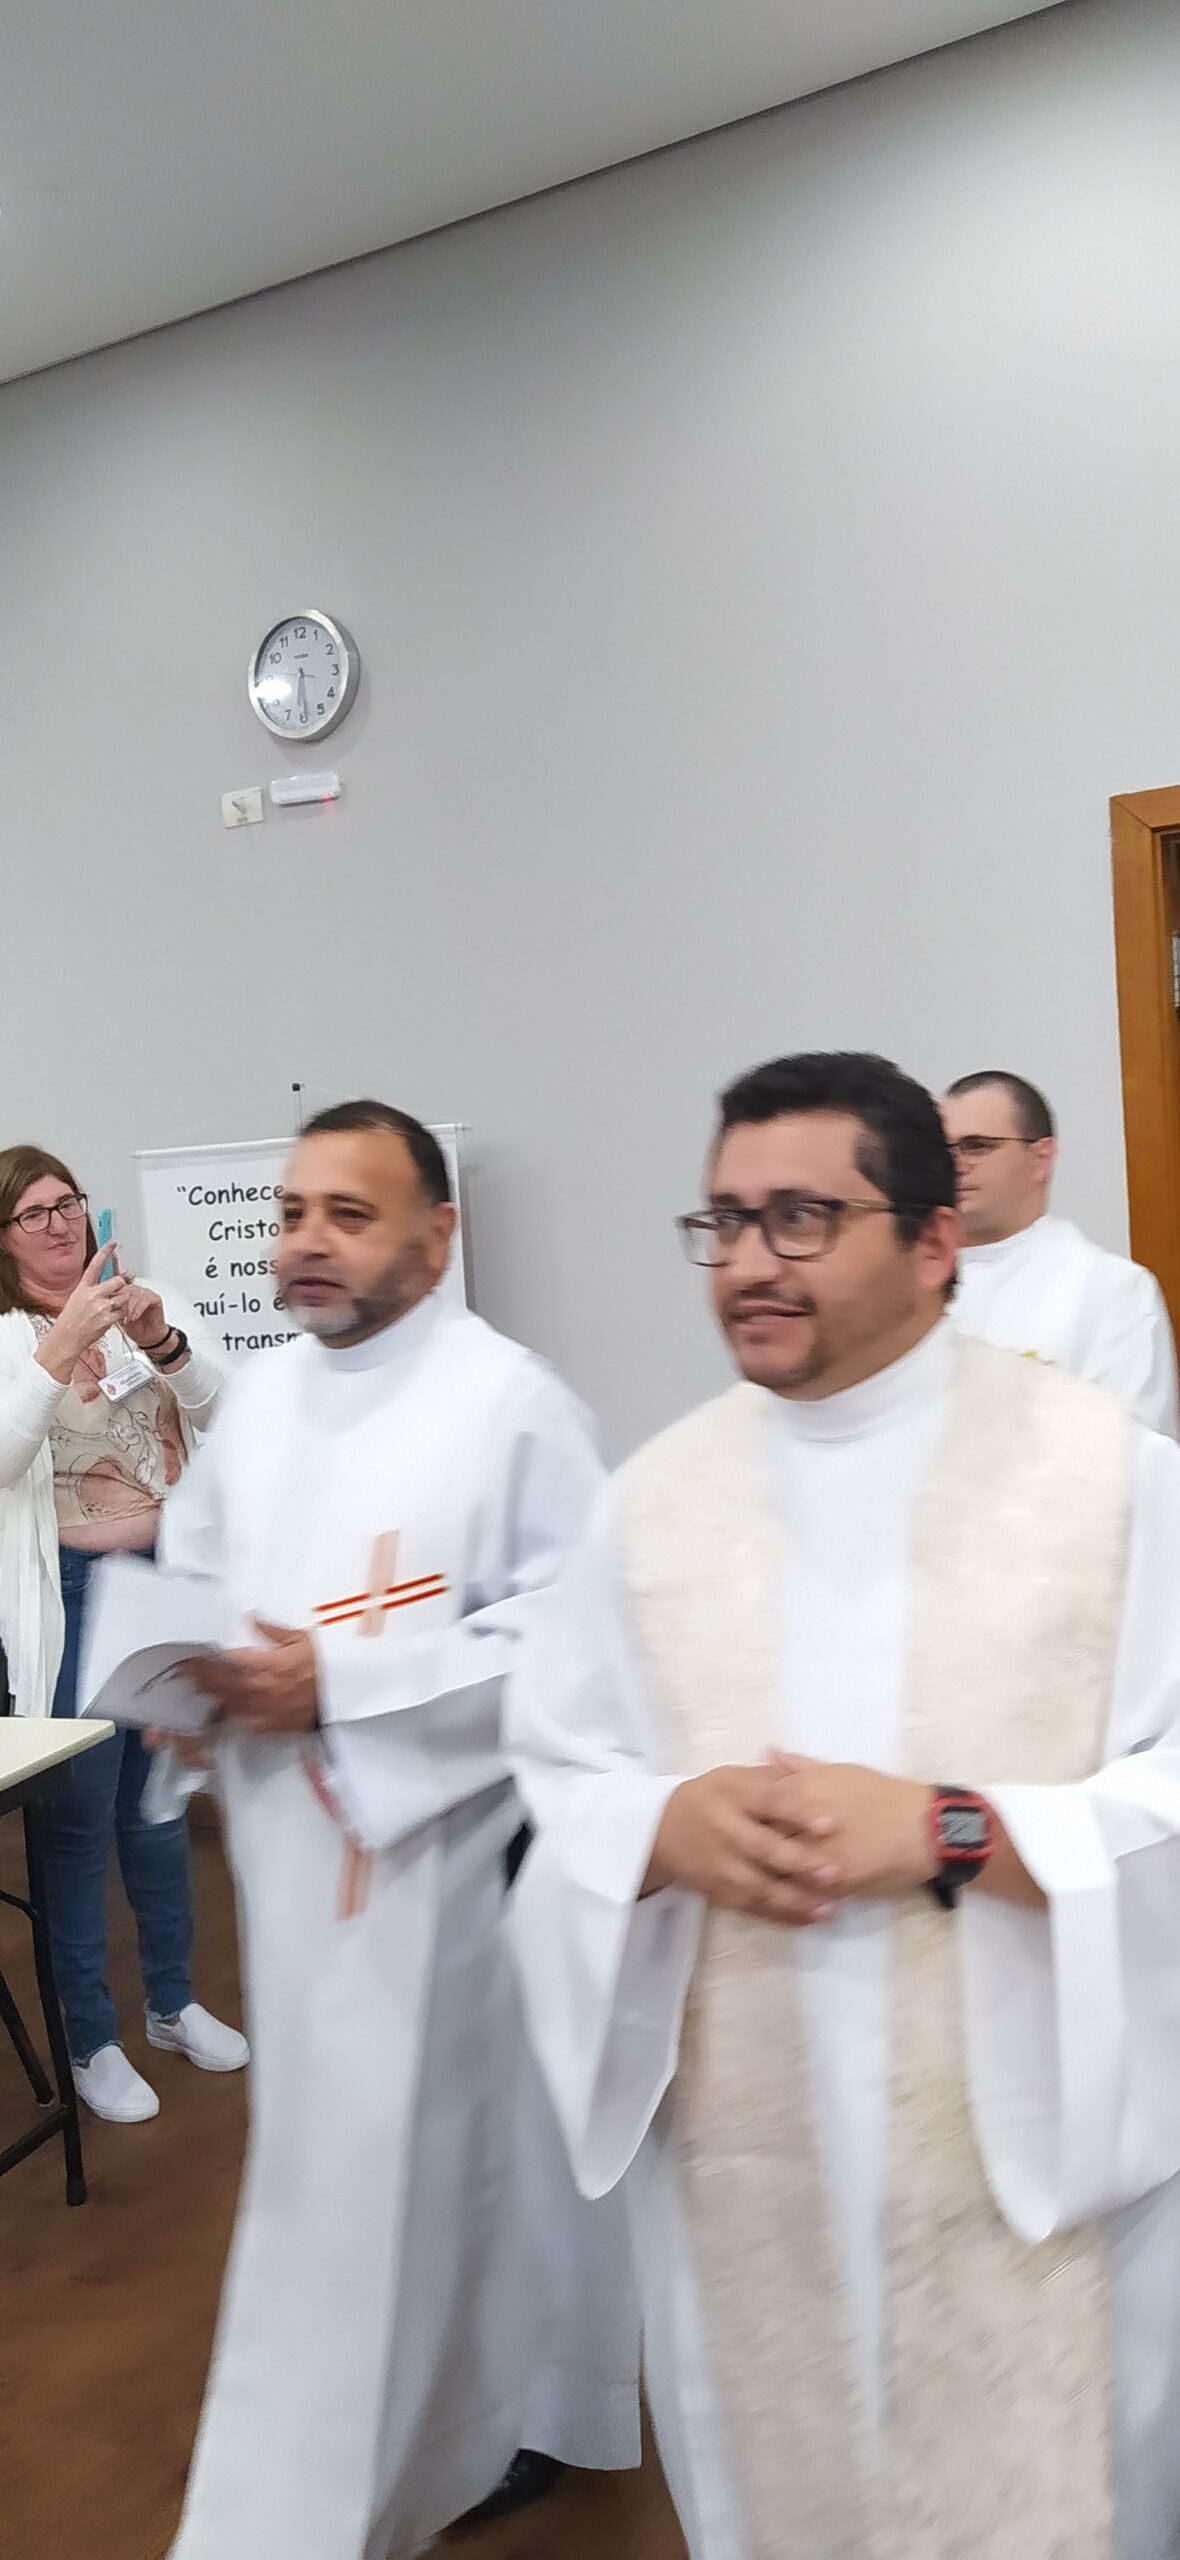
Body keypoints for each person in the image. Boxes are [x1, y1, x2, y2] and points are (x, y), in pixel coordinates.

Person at [507, 1050, 1180, 2560]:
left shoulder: (1110, 1482)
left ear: (934, 1242)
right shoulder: (652, 1503)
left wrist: (950, 1832)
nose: (749, 1261)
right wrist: (657, 1831)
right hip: (752, 2170)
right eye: (724, 1221)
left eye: (801, 1218)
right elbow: (563, 1771)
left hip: (1035, 2167)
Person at [147, 1100, 639, 2560]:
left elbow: (580, 1632)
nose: (308, 1240)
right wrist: (180, 1686)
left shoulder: (514, 1402)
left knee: (460, 2161)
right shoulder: (266, 1401)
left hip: (452, 1857)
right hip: (291, 1860)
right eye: (293, 1212)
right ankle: (373, 2432)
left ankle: (497, 2418)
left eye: (349, 1215)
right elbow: (196, 1566)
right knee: (333, 2171)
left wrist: (350, 1683)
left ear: (437, 1234)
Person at [0, 1144, 246, 2124]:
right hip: (70, 1596)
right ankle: (92, 2037)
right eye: (34, 1212)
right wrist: (58, 1347)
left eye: (69, 1202)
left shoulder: (146, 1301)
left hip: (163, 1583)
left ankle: (172, 2003)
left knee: (158, 1803)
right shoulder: (12, 1336)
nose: (60, 1223)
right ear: (4, 1237)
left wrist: (165, 1340)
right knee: (79, 1823)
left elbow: (229, 1411)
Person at [942, 1068, 1178, 1430]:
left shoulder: (1111, 1289)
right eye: (943, 1150)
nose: (956, 1164)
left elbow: (1126, 1448)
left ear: (1041, 1157)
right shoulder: (903, 1281)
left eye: (978, 1146)